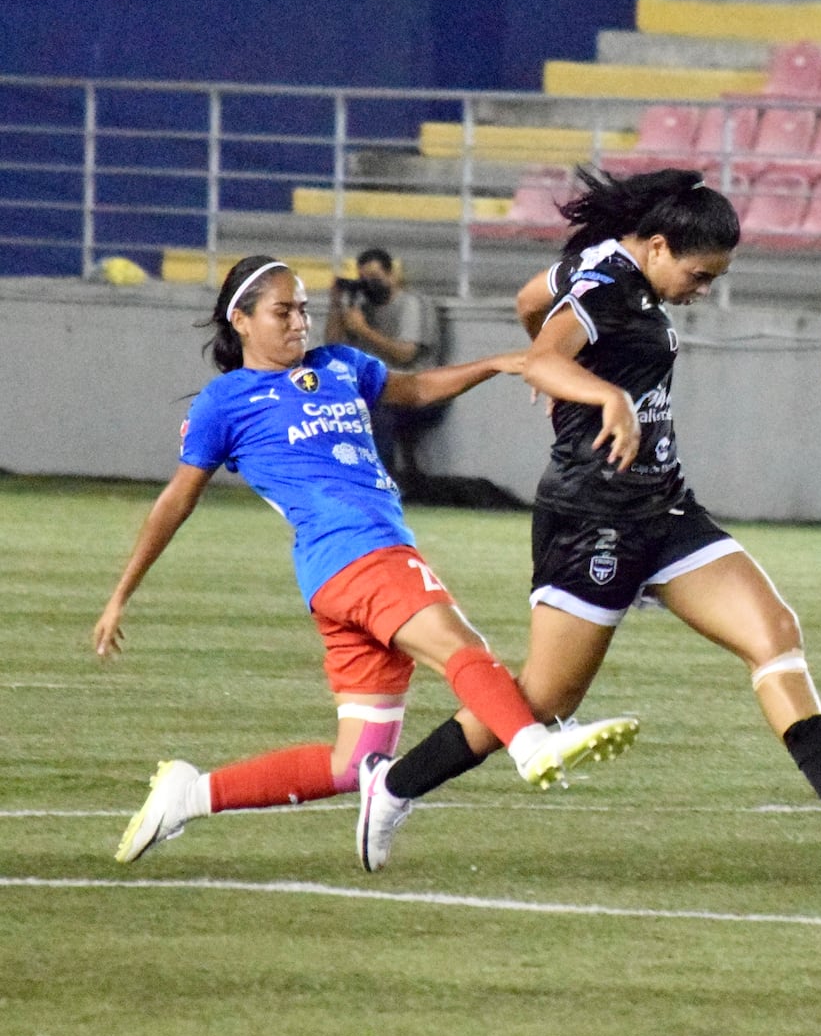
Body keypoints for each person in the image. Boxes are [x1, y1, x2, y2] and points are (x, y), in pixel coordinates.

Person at [355, 167, 821, 873]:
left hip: (664, 506)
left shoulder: (605, 263)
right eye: (699, 276)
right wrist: (597, 395)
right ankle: (393, 786)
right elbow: (541, 356)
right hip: (592, 517)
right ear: (660, 247)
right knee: (543, 700)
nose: (703, 291)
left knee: (775, 634)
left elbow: (528, 301)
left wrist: (576, 383)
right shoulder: (605, 286)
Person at [93, 255, 637, 865]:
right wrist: (120, 595)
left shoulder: (339, 365)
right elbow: (176, 500)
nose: (298, 322)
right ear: (240, 321)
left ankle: (192, 794)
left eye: (303, 309)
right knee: (459, 646)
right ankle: (533, 745)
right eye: (281, 312)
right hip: (358, 552)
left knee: (353, 763)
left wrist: (496, 364)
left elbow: (415, 389)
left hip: (339, 576)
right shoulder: (225, 402)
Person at [325, 247, 444, 494]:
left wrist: (364, 330)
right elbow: (333, 346)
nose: (370, 285)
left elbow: (406, 354)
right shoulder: (364, 306)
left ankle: (383, 486)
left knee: (378, 415)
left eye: (375, 278)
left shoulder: (412, 304)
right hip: (381, 390)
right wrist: (337, 305)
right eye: (364, 279)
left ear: (392, 275)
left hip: (420, 391)